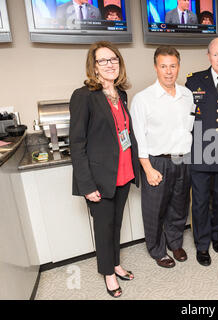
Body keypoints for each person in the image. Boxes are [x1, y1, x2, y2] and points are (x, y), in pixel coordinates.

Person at [69, 41, 139, 298]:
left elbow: (124, 132)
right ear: (94, 66)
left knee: (116, 224)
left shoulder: (120, 93)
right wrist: (87, 186)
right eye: (103, 60)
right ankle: (108, 273)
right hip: (99, 178)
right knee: (103, 227)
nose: (110, 65)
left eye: (114, 60)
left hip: (123, 172)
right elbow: (77, 144)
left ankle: (116, 264)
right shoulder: (83, 96)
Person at [130, 46, 195, 269]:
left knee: (179, 206)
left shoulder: (188, 95)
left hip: (183, 159)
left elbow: (190, 128)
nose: (168, 71)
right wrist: (147, 168)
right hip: (157, 161)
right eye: (163, 66)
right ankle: (157, 250)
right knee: (155, 210)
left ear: (178, 67)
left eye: (173, 66)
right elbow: (138, 138)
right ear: (156, 67)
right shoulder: (143, 99)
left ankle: (175, 242)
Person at [185, 38, 218, 267]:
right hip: (200, 150)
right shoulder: (194, 81)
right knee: (198, 202)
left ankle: (217, 234)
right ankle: (202, 244)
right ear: (208, 56)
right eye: (215, 54)